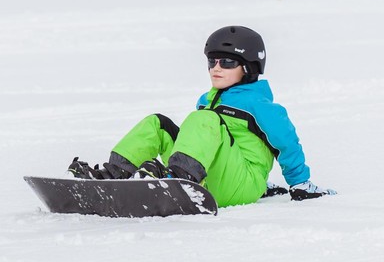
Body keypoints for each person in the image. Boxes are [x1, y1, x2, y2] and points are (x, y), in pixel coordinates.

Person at [68, 26, 336, 208]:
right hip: (210, 177)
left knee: (205, 120)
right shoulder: (207, 100)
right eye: (212, 62)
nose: (216, 68)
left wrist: (299, 184)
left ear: (248, 67)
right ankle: (114, 175)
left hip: (243, 184)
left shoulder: (262, 106)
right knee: (158, 123)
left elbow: (287, 143)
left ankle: (177, 181)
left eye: (227, 62)